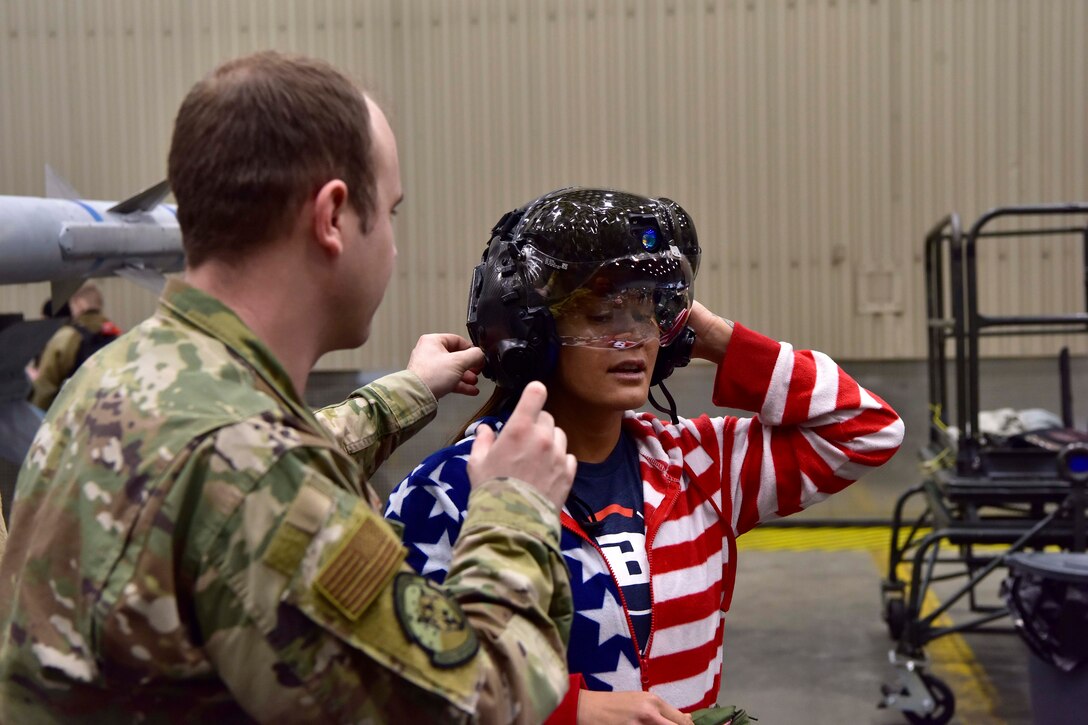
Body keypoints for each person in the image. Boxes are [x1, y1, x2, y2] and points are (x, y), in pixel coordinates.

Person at [0, 51, 579, 723]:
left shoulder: (125, 374)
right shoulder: (253, 468)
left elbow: (245, 467)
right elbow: (476, 704)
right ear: (333, 215)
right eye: (389, 212)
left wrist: (410, 390)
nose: (392, 245)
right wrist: (514, 506)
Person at [385, 187, 906, 723]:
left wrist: (714, 337)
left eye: (648, 311)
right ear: (533, 330)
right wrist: (570, 713)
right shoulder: (450, 492)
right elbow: (397, 690)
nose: (634, 336)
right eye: (602, 315)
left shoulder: (699, 464)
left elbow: (867, 429)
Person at [27, 282, 121, 410]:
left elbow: (45, 389)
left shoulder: (66, 337)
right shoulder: (116, 333)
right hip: (114, 413)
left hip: (76, 419)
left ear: (79, 303)